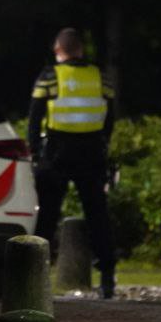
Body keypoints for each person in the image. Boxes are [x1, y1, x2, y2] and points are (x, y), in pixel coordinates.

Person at [27, 27, 118, 298]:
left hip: (57, 152)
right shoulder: (100, 76)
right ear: (81, 49)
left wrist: (35, 152)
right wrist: (103, 143)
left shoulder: (50, 76)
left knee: (46, 216)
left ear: (58, 50)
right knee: (98, 215)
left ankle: (35, 277)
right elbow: (110, 117)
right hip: (92, 152)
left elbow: (34, 118)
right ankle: (107, 279)